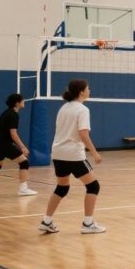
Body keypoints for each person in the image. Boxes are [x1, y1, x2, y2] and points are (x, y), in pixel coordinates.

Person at [38, 79, 105, 234]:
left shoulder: (64, 108)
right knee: (93, 186)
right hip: (73, 154)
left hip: (58, 153)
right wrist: (94, 152)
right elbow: (83, 133)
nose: (90, 91)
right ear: (81, 92)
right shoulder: (82, 109)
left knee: (62, 187)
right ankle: (88, 224)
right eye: (88, 88)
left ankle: (46, 221)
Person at [0, 93, 36, 196]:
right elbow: (13, 134)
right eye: (22, 100)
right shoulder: (13, 115)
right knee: (24, 162)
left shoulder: (8, 113)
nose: (24, 102)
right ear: (17, 103)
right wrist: (22, 147)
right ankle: (23, 189)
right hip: (2, 142)